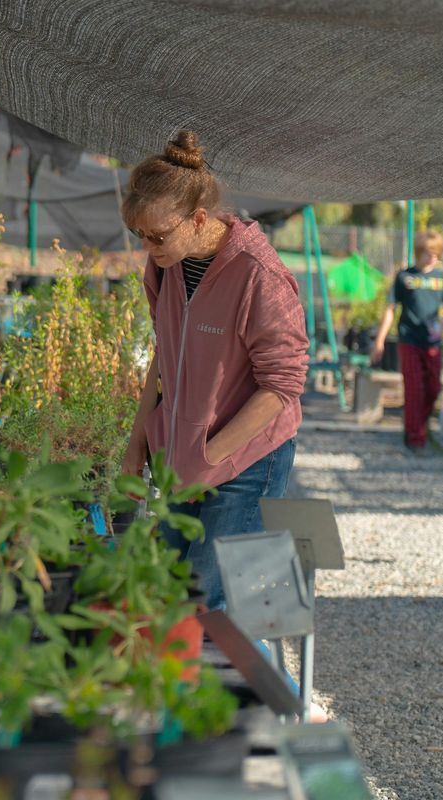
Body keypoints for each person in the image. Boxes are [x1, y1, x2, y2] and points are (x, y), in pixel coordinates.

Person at [120, 129, 310, 611]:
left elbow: (282, 387)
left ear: (198, 218)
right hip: (185, 457)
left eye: (157, 236)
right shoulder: (166, 265)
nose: (148, 246)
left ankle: (271, 688)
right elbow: (164, 356)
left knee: (212, 608)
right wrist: (138, 440)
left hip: (248, 462)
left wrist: (212, 455)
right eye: (138, 235)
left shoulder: (258, 275)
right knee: (164, 596)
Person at [370, 230, 443, 453]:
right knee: (414, 389)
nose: (433, 257)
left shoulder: (442, 279)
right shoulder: (404, 277)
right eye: (429, 253)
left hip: (432, 343)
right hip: (409, 340)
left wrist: (442, 330)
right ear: (419, 252)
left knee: (434, 388)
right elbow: (390, 309)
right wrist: (379, 341)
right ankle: (415, 438)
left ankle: (419, 427)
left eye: (437, 253)